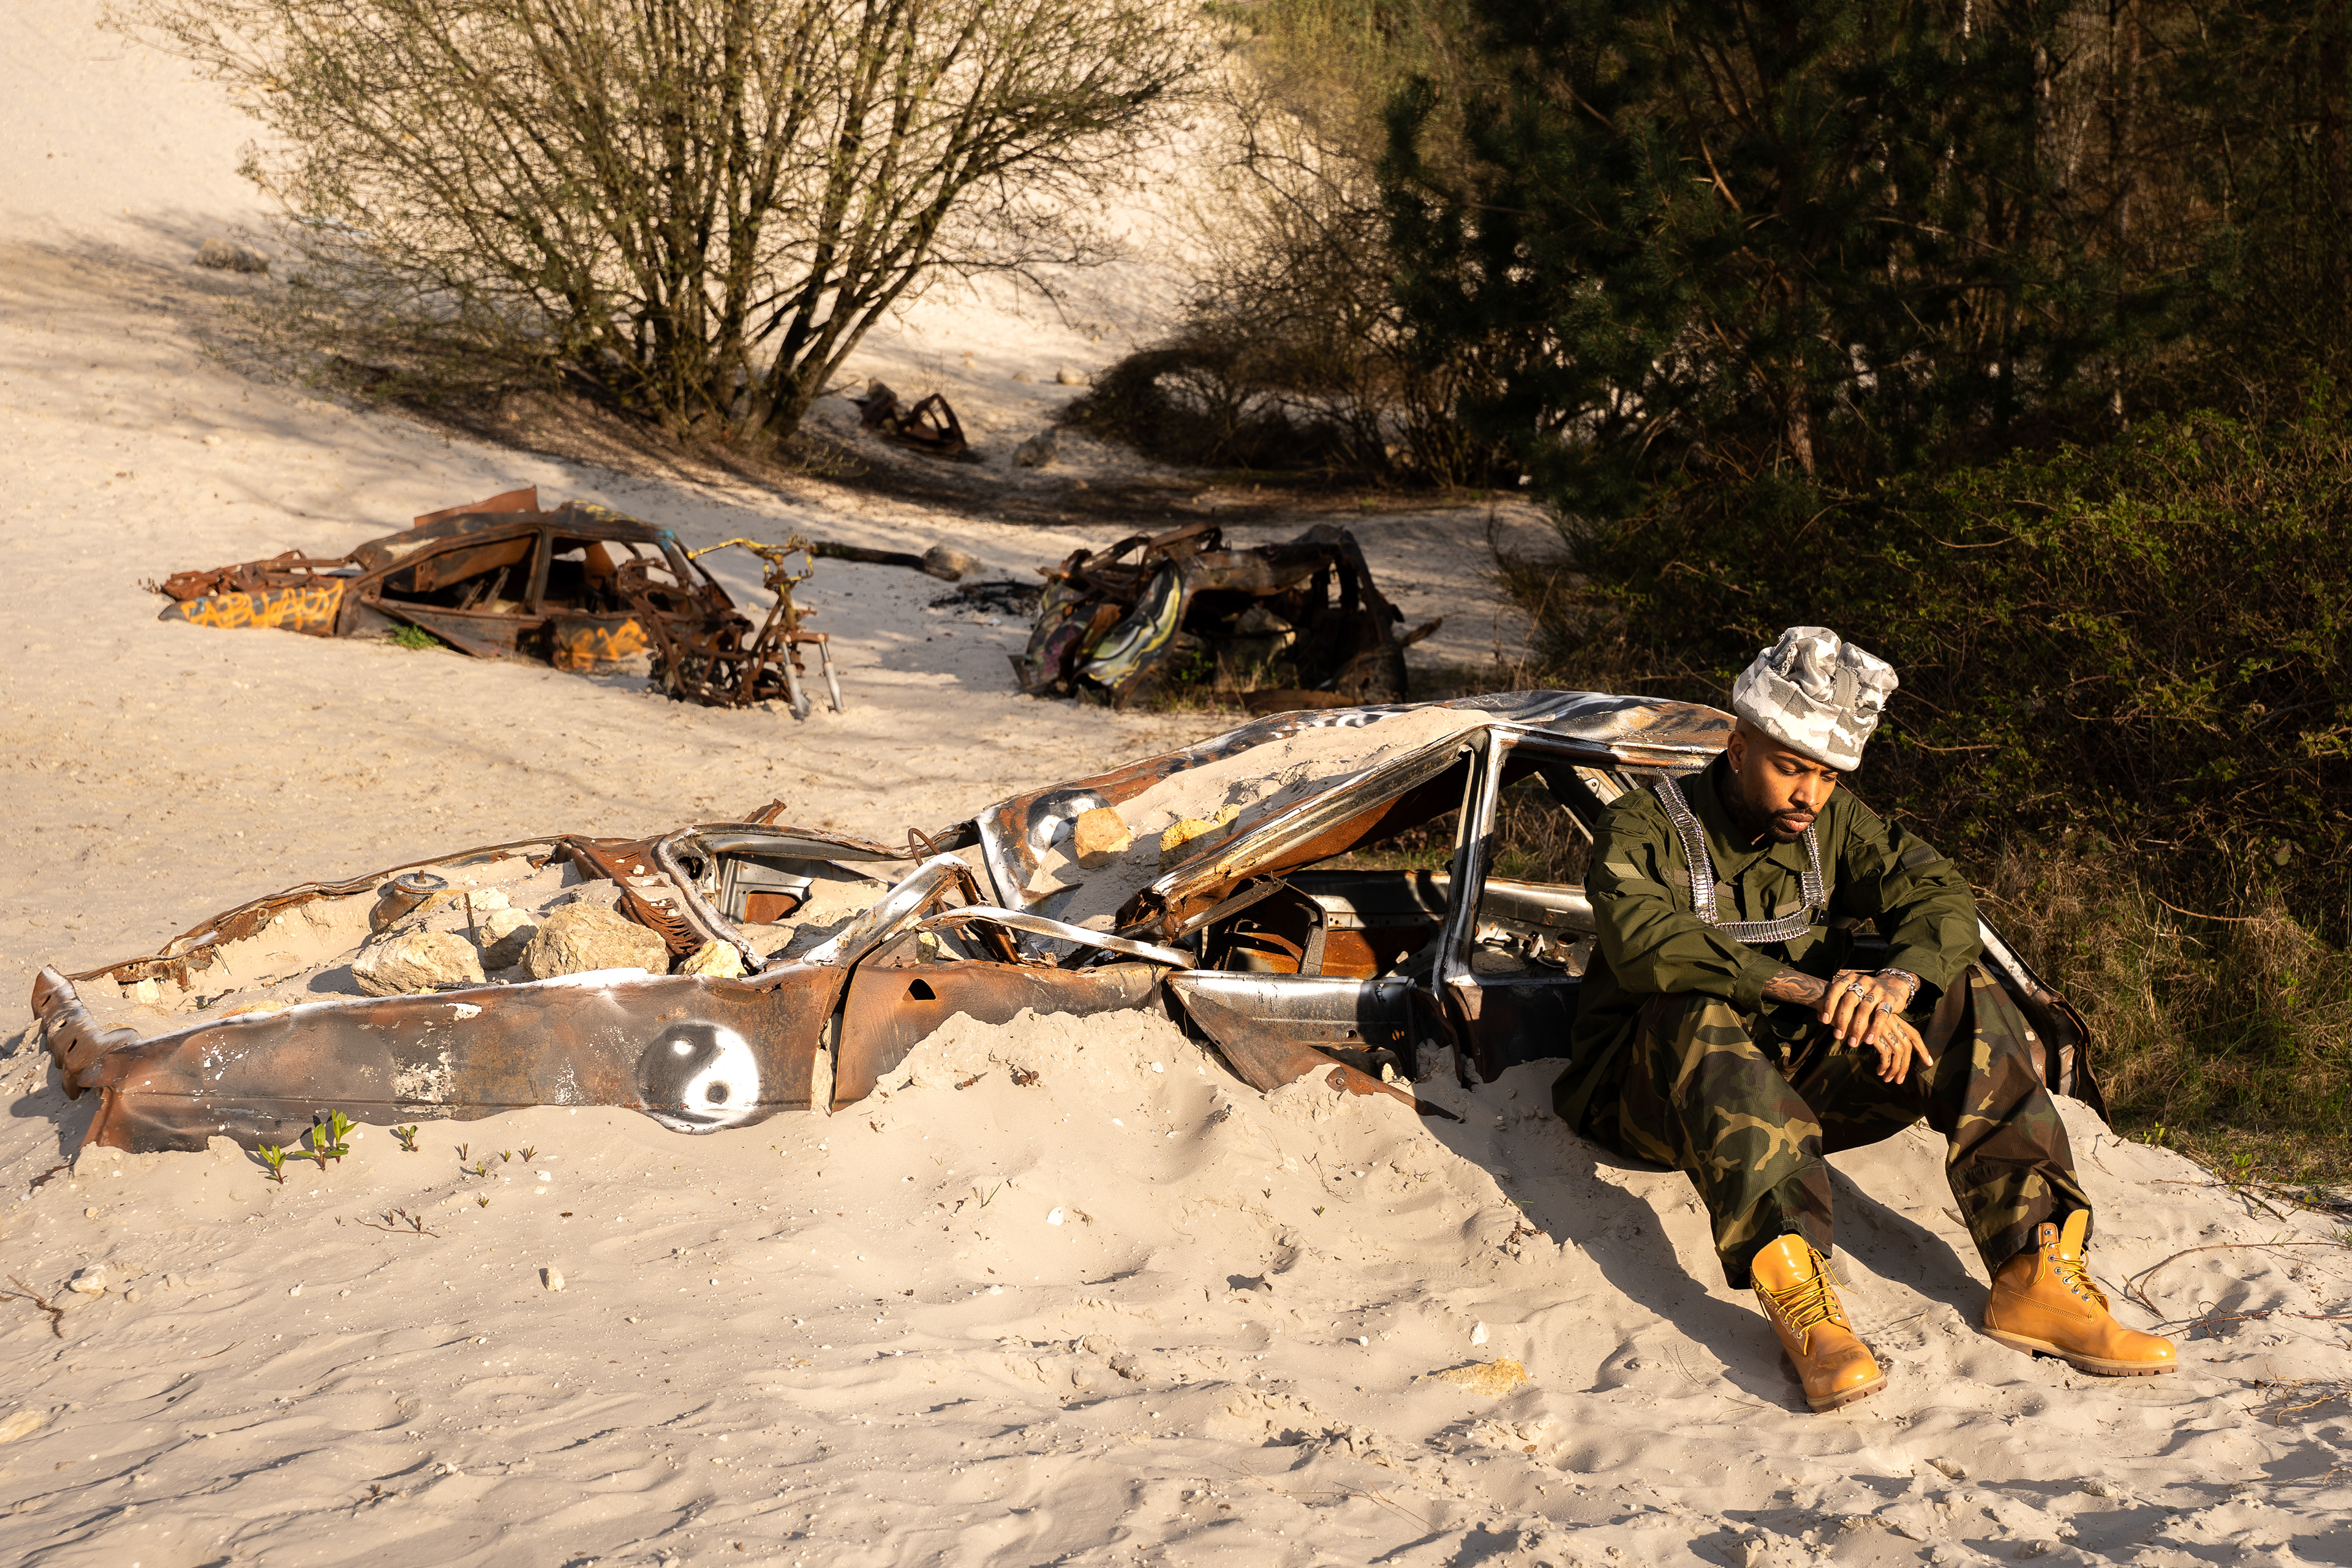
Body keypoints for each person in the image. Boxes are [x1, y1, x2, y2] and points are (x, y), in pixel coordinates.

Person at [1553, 627, 2176, 1411]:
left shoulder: (1834, 823)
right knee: (1693, 1005)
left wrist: (1891, 985)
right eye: (1791, 767)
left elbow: (1940, 894)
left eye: (1827, 774)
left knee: (1962, 987)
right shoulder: (1643, 827)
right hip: (1646, 1096)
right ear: (1739, 747)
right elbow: (1650, 942)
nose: (1809, 795)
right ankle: (1805, 1305)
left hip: (1789, 1083)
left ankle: (2034, 1272)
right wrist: (1817, 993)